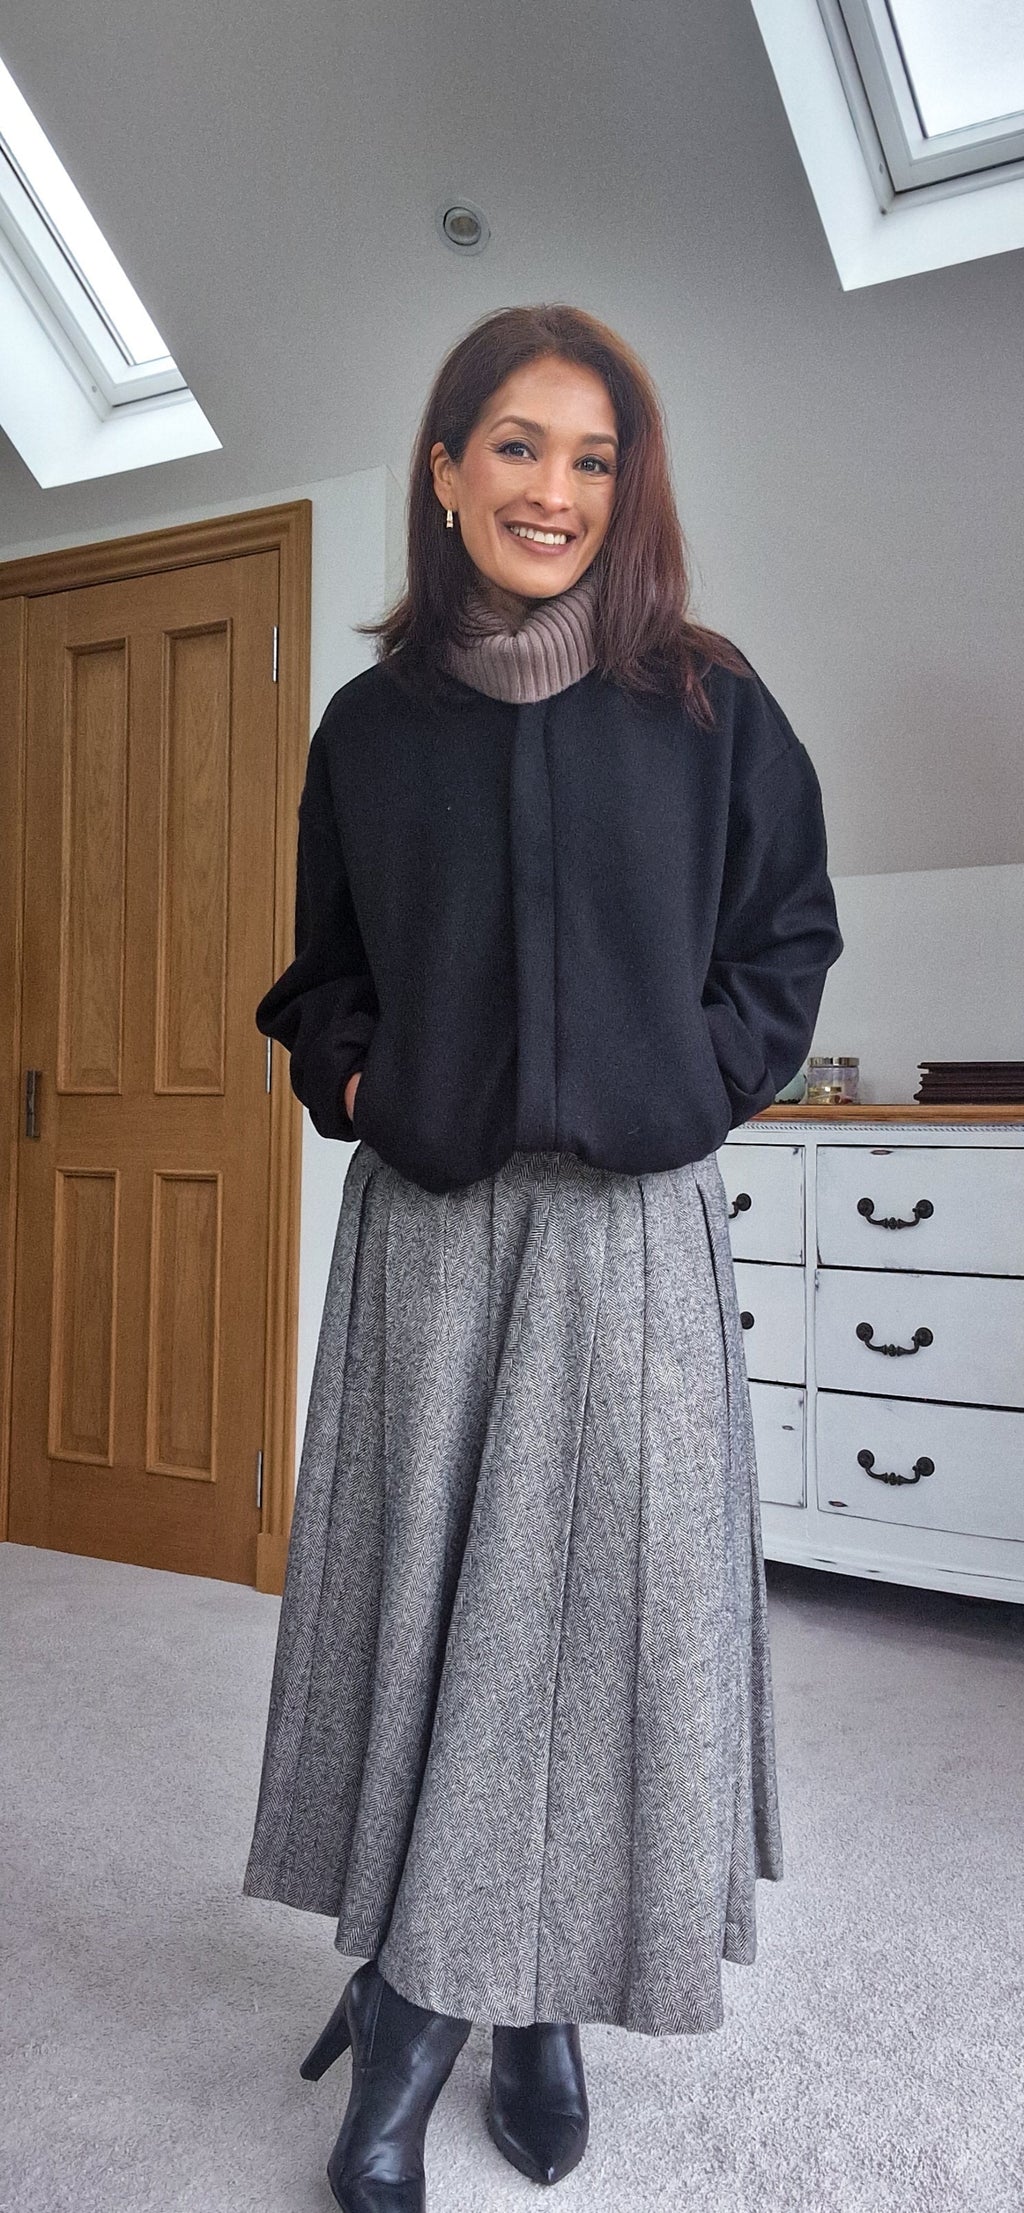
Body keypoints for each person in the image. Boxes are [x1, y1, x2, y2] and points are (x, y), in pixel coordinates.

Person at [244, 302, 844, 2212]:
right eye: (516, 445)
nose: (556, 491)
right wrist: (364, 1071)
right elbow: (321, 970)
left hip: (636, 1244)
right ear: (443, 470)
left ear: (628, 489)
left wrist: (690, 1084)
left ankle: (535, 1999)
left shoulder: (710, 707)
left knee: (597, 1633)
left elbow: (785, 947)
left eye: (594, 458)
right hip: (431, 1237)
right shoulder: (370, 728)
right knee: (434, 1623)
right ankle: (425, 1995)